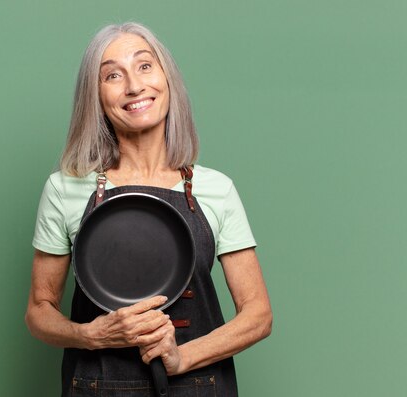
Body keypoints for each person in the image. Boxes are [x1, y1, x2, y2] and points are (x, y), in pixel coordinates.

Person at [25, 22, 272, 396]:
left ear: (166, 79)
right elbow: (39, 311)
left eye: (144, 66)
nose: (134, 86)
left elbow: (258, 315)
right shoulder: (65, 188)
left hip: (199, 385)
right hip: (97, 384)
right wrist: (90, 335)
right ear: (96, 97)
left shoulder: (216, 189)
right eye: (112, 75)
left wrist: (182, 358)